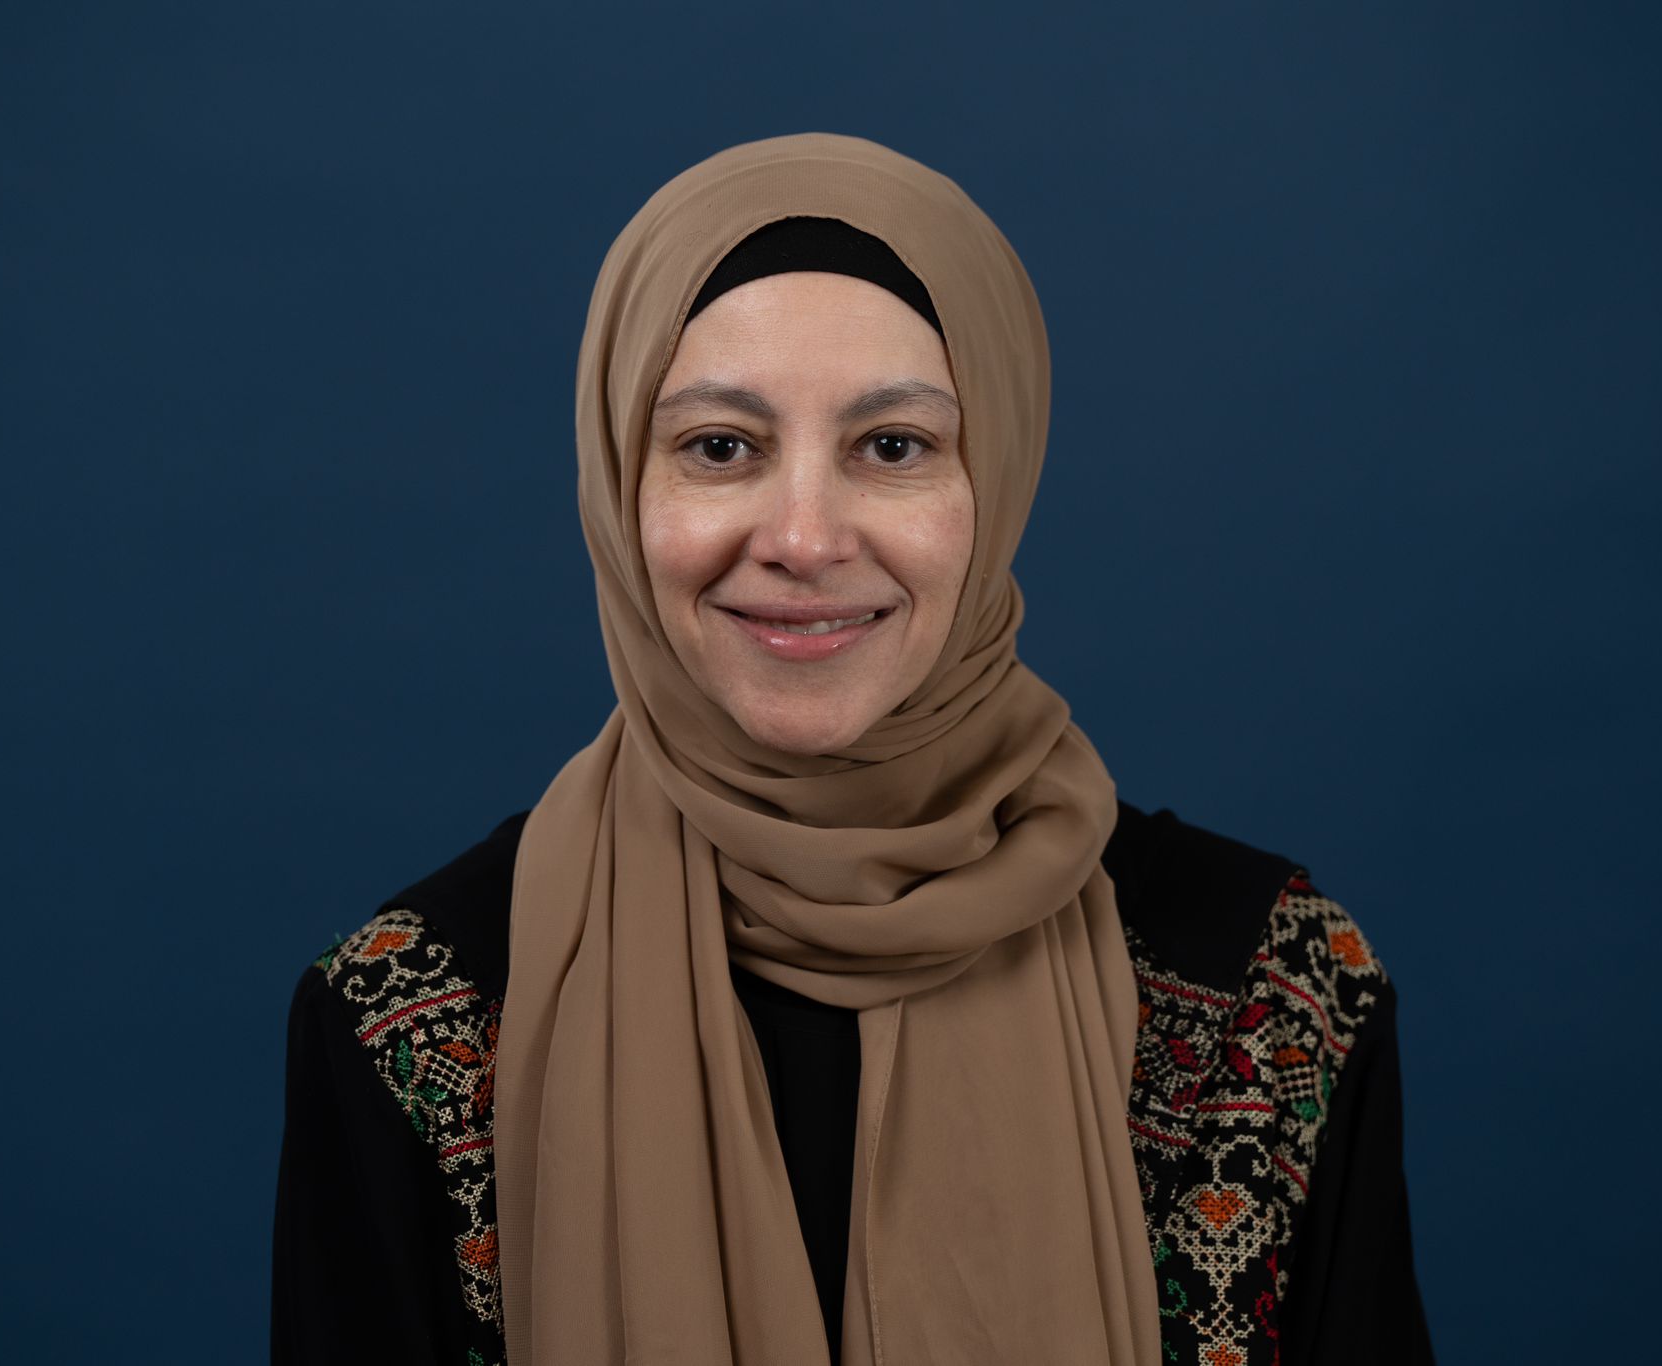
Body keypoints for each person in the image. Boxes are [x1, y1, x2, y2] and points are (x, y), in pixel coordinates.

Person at [271, 132, 1431, 1366]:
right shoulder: (413, 1023)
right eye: (720, 446)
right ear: (617, 484)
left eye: (892, 446)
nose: (804, 538)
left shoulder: (1273, 996)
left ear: (998, 475)